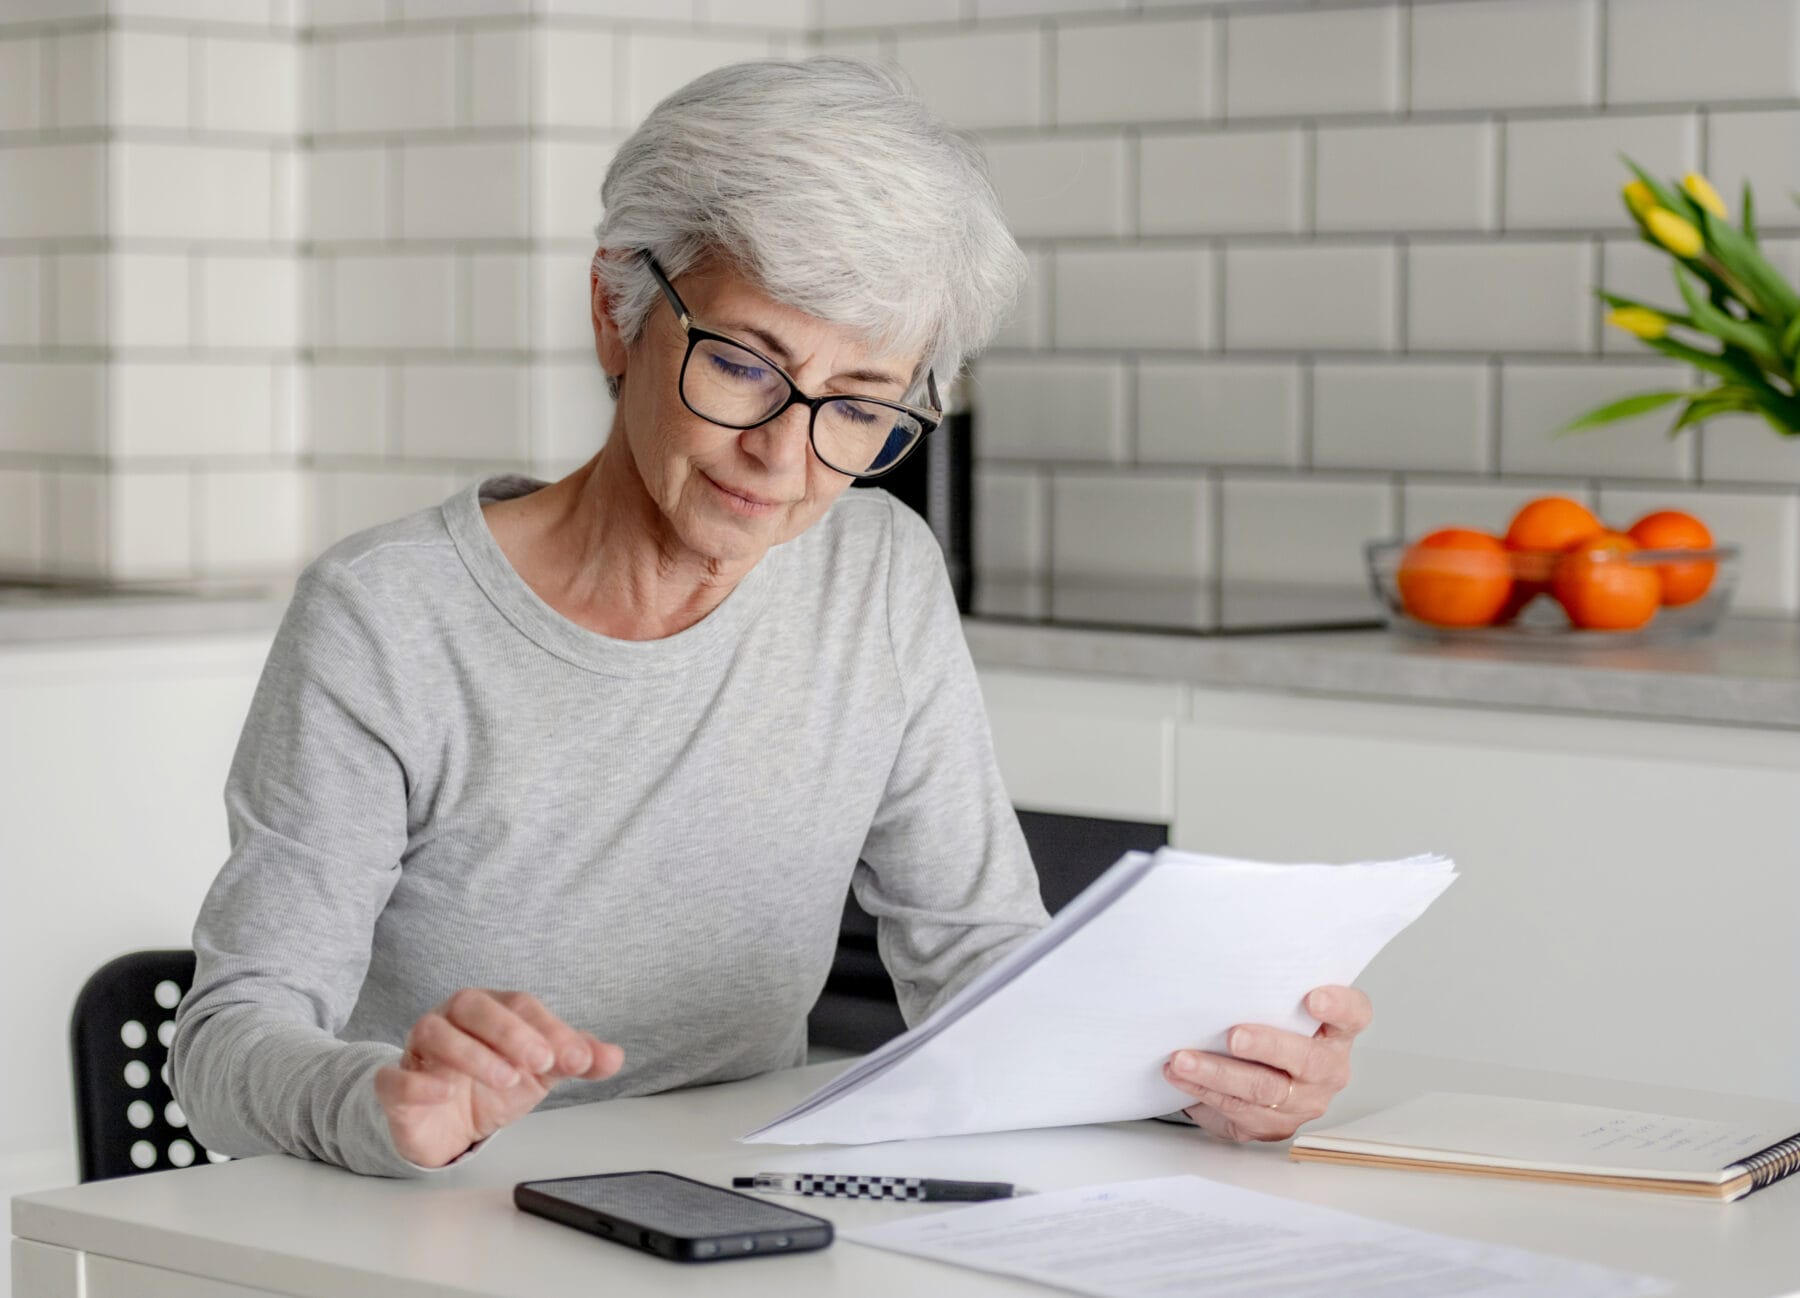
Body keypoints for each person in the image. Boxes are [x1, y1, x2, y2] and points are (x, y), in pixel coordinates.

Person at [170, 56, 1370, 1179]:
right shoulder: (390, 617)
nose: (787, 458)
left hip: (735, 1204)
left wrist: (1202, 1075)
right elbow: (226, 1049)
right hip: (424, 1222)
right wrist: (382, 1098)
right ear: (616, 311)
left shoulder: (877, 574)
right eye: (746, 364)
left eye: (859, 406)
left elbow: (983, 967)